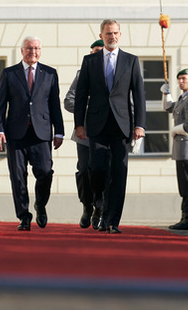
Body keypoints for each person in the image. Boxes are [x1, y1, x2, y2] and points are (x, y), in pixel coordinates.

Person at [73, 20, 146, 234]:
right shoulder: (90, 61)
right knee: (96, 170)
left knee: (119, 172)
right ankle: (99, 203)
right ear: (101, 35)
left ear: (120, 35)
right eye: (108, 33)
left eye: (115, 33)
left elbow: (139, 95)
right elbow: (80, 96)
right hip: (96, 125)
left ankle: (112, 221)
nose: (112, 36)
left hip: (122, 125)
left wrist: (140, 125)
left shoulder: (131, 61)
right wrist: (79, 124)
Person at [0, 36, 64, 231]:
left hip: (41, 134)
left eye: (37, 48)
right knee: (17, 176)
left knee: (45, 172)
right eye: (29, 48)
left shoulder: (50, 73)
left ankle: (40, 205)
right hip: (15, 134)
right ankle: (24, 216)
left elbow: (54, 105)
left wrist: (59, 132)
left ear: (40, 51)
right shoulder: (9, 74)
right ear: (22, 50)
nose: (33, 51)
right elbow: (1, 106)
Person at [64, 38, 104, 228]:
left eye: (101, 51)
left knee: (102, 172)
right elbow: (69, 101)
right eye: (95, 51)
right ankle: (87, 206)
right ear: (90, 54)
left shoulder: (113, 73)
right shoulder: (82, 75)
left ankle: (100, 207)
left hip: (106, 133)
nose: (98, 54)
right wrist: (91, 109)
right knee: (84, 171)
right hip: (85, 133)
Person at [162, 68, 188, 230]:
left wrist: (174, 130)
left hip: (187, 146)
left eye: (184, 78)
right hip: (181, 148)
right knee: (183, 184)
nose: (181, 81)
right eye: (179, 79)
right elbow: (168, 107)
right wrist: (165, 93)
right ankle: (185, 216)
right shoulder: (183, 99)